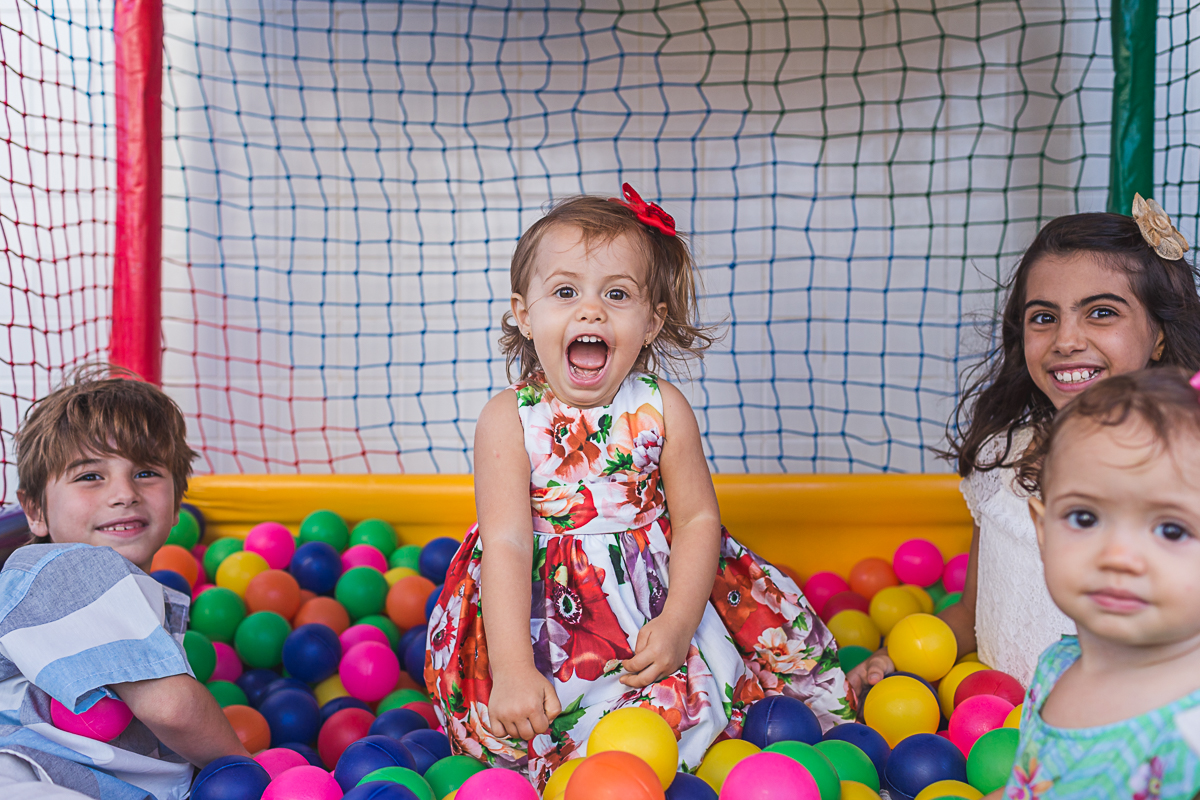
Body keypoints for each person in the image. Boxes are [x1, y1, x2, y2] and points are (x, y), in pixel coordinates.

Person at [424, 186, 853, 787]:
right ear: (524, 313)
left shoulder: (662, 408)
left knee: (699, 723)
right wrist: (516, 668)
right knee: (526, 737)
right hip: (548, 616)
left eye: (616, 294)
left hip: (650, 601)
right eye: (566, 292)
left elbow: (700, 520)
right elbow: (507, 543)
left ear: (651, 322)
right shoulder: (507, 419)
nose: (591, 311)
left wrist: (679, 624)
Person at [849, 197, 1200, 692]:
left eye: (1101, 312)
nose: (1066, 340)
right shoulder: (1002, 457)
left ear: (1159, 336)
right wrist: (896, 659)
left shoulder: (1185, 468)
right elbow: (973, 614)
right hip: (990, 730)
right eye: (1043, 317)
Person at [1, 368, 249, 800]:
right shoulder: (65, 568)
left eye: (147, 473)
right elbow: (172, 708)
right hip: (27, 777)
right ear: (35, 510)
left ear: (177, 504)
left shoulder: (134, 599)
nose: (124, 493)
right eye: (89, 476)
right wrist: (250, 773)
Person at [988, 368, 1200, 799]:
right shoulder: (1056, 666)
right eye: (1085, 518)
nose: (1117, 557)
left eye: (1172, 530)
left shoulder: (1189, 729)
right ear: (1043, 533)